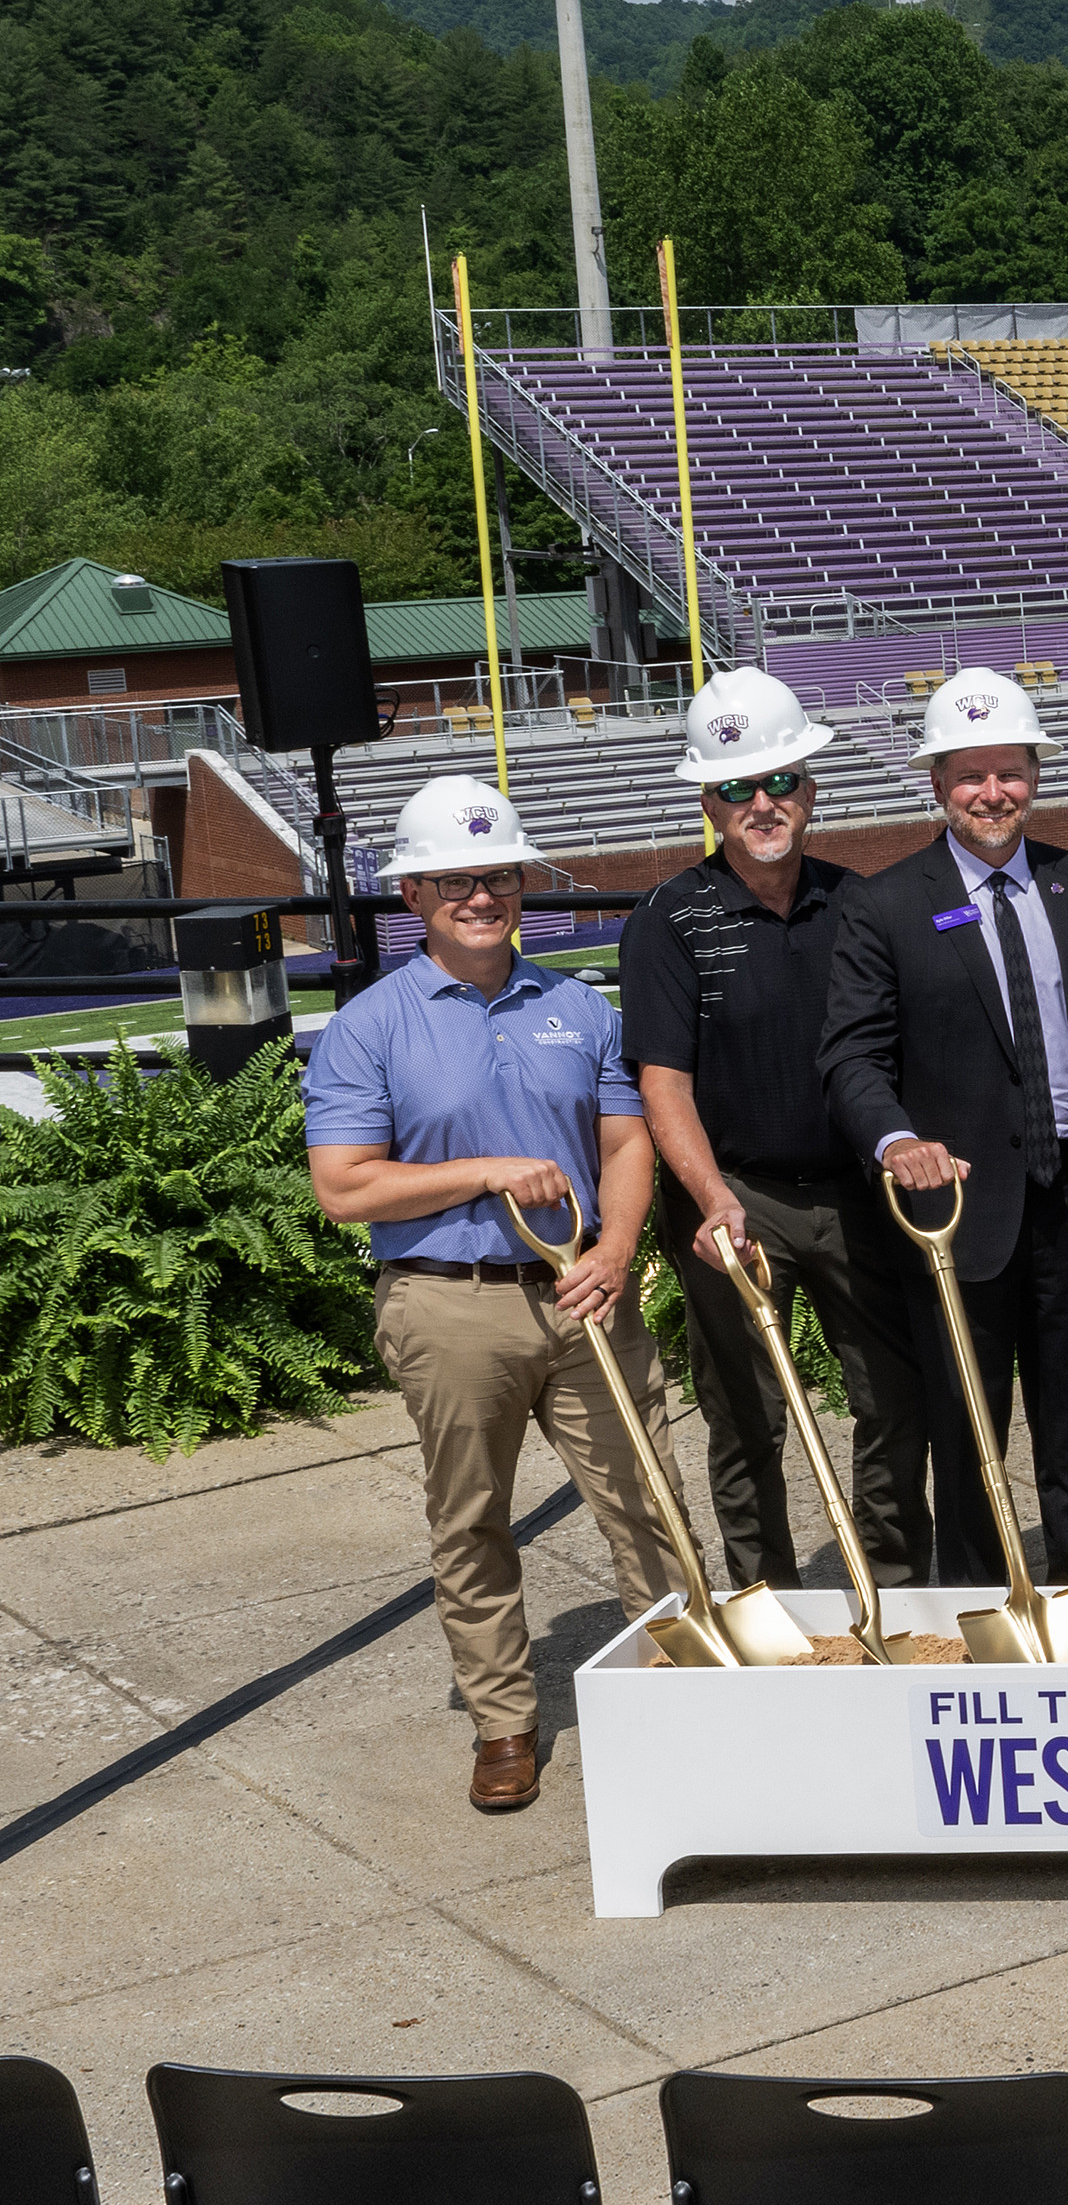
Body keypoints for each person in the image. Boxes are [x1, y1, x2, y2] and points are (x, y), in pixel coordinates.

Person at [304, 779, 699, 1815]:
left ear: (523, 883)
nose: (480, 897)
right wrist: (483, 1170)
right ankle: (504, 1722)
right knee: (472, 1518)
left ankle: (685, 1692)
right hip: (449, 1301)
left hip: (583, 1292)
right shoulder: (367, 1027)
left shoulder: (576, 1007)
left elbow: (625, 1140)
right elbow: (343, 1186)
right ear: (414, 891)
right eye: (454, 881)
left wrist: (615, 1249)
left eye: (498, 877)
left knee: (648, 1502)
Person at [813, 666, 1068, 1591]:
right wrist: (894, 1141)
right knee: (966, 1423)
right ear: (935, 783)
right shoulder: (883, 904)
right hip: (952, 1205)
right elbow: (852, 1057)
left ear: (1035, 774)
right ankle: (986, 1609)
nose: (993, 793)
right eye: (970, 775)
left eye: (1010, 771)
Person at [623, 666, 937, 1596]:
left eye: (780, 781)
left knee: (891, 1399)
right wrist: (713, 1197)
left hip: (855, 1192)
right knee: (747, 1413)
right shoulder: (669, 919)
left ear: (812, 786)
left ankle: (896, 1586)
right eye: (734, 788)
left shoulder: (863, 903)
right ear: (709, 803)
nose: (761, 802)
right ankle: (767, 1598)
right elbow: (662, 1081)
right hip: (737, 1193)